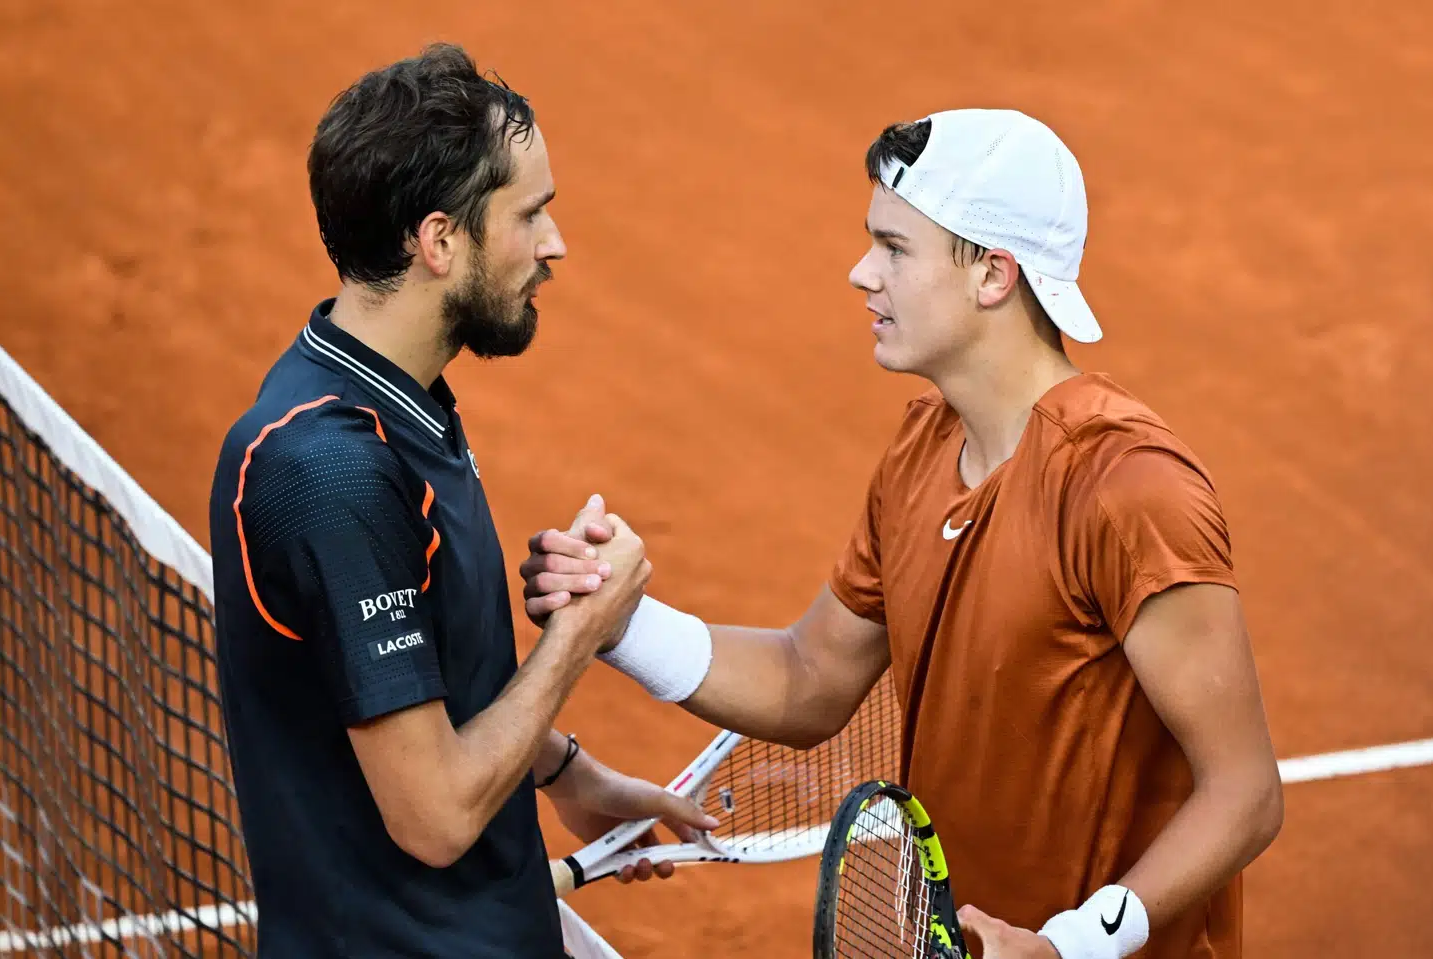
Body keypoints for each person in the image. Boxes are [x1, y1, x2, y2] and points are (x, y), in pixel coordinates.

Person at [522, 109, 1284, 959]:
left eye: (894, 248)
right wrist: (620, 620)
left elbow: (1245, 791)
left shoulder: (1129, 487)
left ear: (993, 274)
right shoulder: (924, 445)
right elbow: (810, 676)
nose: (862, 272)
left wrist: (1068, 945)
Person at [207, 44, 714, 958]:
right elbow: (435, 815)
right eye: (530, 214)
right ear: (439, 241)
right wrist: (579, 634)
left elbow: (414, 679)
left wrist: (569, 773)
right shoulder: (333, 471)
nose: (554, 245)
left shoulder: (391, 401)